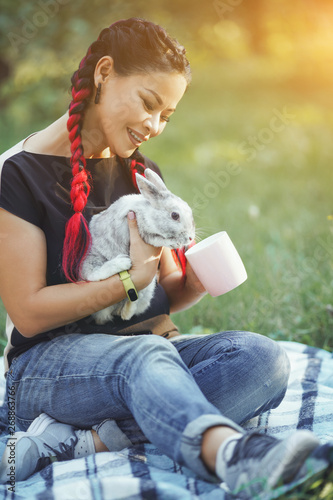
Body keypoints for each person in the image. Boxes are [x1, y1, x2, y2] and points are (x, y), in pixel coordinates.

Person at [0, 17, 323, 498]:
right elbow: (27, 311)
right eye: (149, 104)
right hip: (48, 372)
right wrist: (127, 281)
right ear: (104, 74)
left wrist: (188, 285)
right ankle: (231, 454)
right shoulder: (18, 173)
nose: (153, 126)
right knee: (147, 354)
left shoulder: (142, 172)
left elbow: (162, 294)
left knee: (263, 359)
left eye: (166, 116)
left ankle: (81, 442)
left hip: (147, 356)